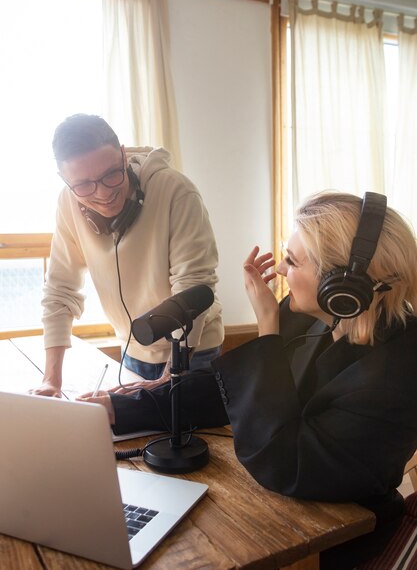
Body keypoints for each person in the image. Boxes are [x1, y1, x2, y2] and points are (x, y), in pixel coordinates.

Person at [85, 190, 417, 570]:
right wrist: (118, 409)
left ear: (343, 285)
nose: (279, 271)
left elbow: (284, 463)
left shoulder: (399, 371)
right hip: (281, 511)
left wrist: (266, 327)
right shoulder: (317, 317)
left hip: (339, 541)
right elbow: (228, 393)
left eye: (292, 261)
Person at [33, 113, 223, 397]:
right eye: (84, 185)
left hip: (193, 353)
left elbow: (193, 286)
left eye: (111, 174)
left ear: (123, 156)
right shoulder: (67, 203)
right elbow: (60, 290)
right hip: (132, 353)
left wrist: (167, 379)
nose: (102, 193)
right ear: (65, 180)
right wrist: (52, 380)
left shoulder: (176, 191)